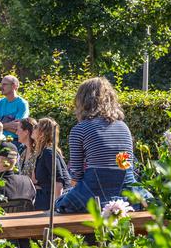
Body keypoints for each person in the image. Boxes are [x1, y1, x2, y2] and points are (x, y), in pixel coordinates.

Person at [55, 77, 152, 213]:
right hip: (126, 191)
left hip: (94, 190)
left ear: (82, 101)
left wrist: (73, 193)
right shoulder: (123, 127)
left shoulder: (80, 129)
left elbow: (76, 176)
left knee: (61, 203)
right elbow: (124, 165)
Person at [31, 118, 72, 210]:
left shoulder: (48, 152)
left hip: (52, 202)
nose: (33, 128)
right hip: (45, 198)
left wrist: (55, 209)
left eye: (36, 126)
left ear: (42, 132)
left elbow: (58, 181)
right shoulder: (42, 153)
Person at [0, 75, 29, 143]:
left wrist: (0, 125)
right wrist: (9, 125)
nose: (1, 87)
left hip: (15, 141)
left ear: (14, 86)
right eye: (1, 84)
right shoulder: (0, 102)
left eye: (4, 84)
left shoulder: (22, 103)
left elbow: (18, 127)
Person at [16, 117, 38, 183]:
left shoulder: (38, 153)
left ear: (26, 132)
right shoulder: (23, 152)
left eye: (18, 130)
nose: (16, 133)